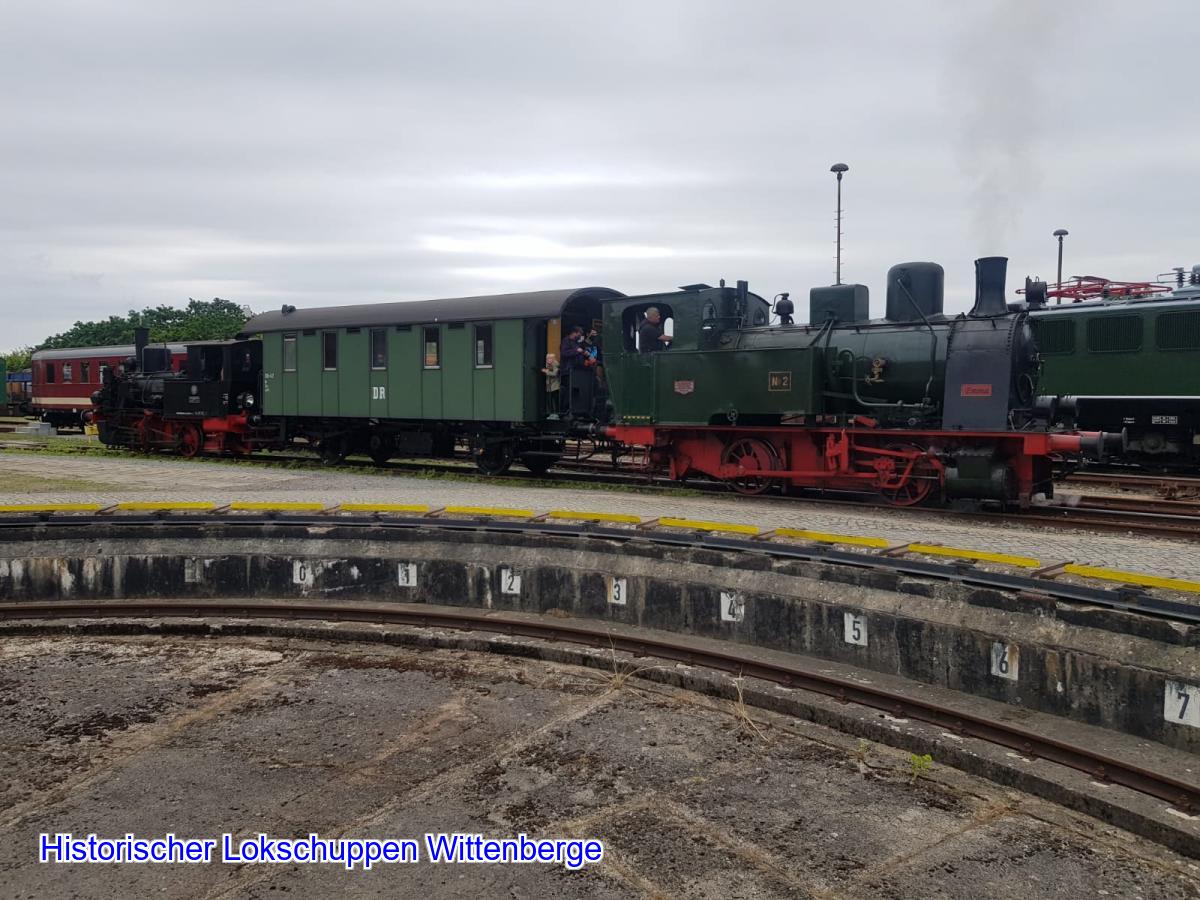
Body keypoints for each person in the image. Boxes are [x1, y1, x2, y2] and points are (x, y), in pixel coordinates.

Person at [559, 326, 587, 416]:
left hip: (576, 371)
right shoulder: (566, 341)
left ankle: (575, 410)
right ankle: (564, 410)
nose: (580, 336)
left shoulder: (576, 343)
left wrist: (583, 353)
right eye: (579, 334)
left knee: (576, 390)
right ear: (574, 332)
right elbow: (564, 353)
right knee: (569, 390)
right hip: (567, 371)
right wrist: (577, 351)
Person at [541, 353, 560, 418]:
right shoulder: (546, 365)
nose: (548, 360)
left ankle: (556, 413)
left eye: (550, 358)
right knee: (549, 401)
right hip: (548, 386)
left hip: (555, 386)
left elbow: (555, 373)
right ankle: (550, 413)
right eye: (547, 358)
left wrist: (546, 372)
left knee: (555, 400)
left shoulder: (555, 364)